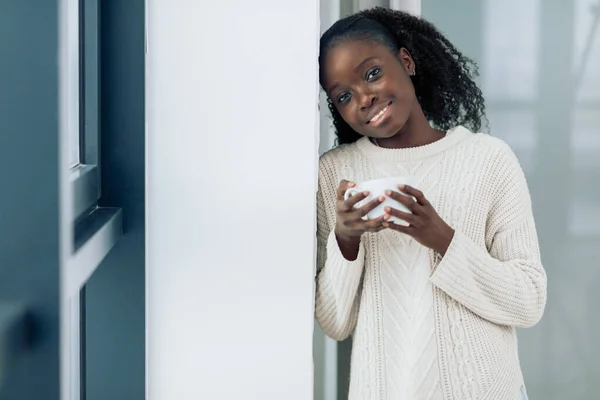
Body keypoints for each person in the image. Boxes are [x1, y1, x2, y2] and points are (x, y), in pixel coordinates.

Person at [315, 7, 546, 400]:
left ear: (406, 61)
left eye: (372, 73)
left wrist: (441, 238)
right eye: (344, 96)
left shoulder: (489, 159)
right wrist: (346, 241)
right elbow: (334, 323)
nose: (365, 98)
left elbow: (528, 301)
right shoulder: (335, 173)